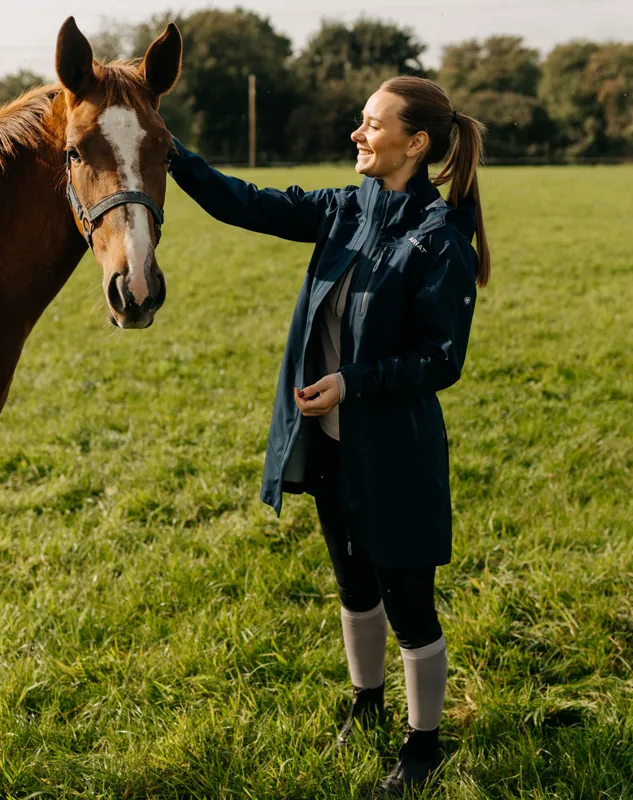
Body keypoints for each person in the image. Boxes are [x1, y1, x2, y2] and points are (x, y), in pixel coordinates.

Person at [168, 75, 491, 798]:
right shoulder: (345, 211)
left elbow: (444, 360)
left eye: (371, 124)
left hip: (397, 457)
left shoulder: (439, 237)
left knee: (410, 606)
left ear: (415, 144)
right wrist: (169, 152)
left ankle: (422, 745)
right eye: (360, 120)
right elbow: (245, 204)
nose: (357, 133)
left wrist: (353, 382)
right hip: (332, 450)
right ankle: (366, 704)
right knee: (353, 588)